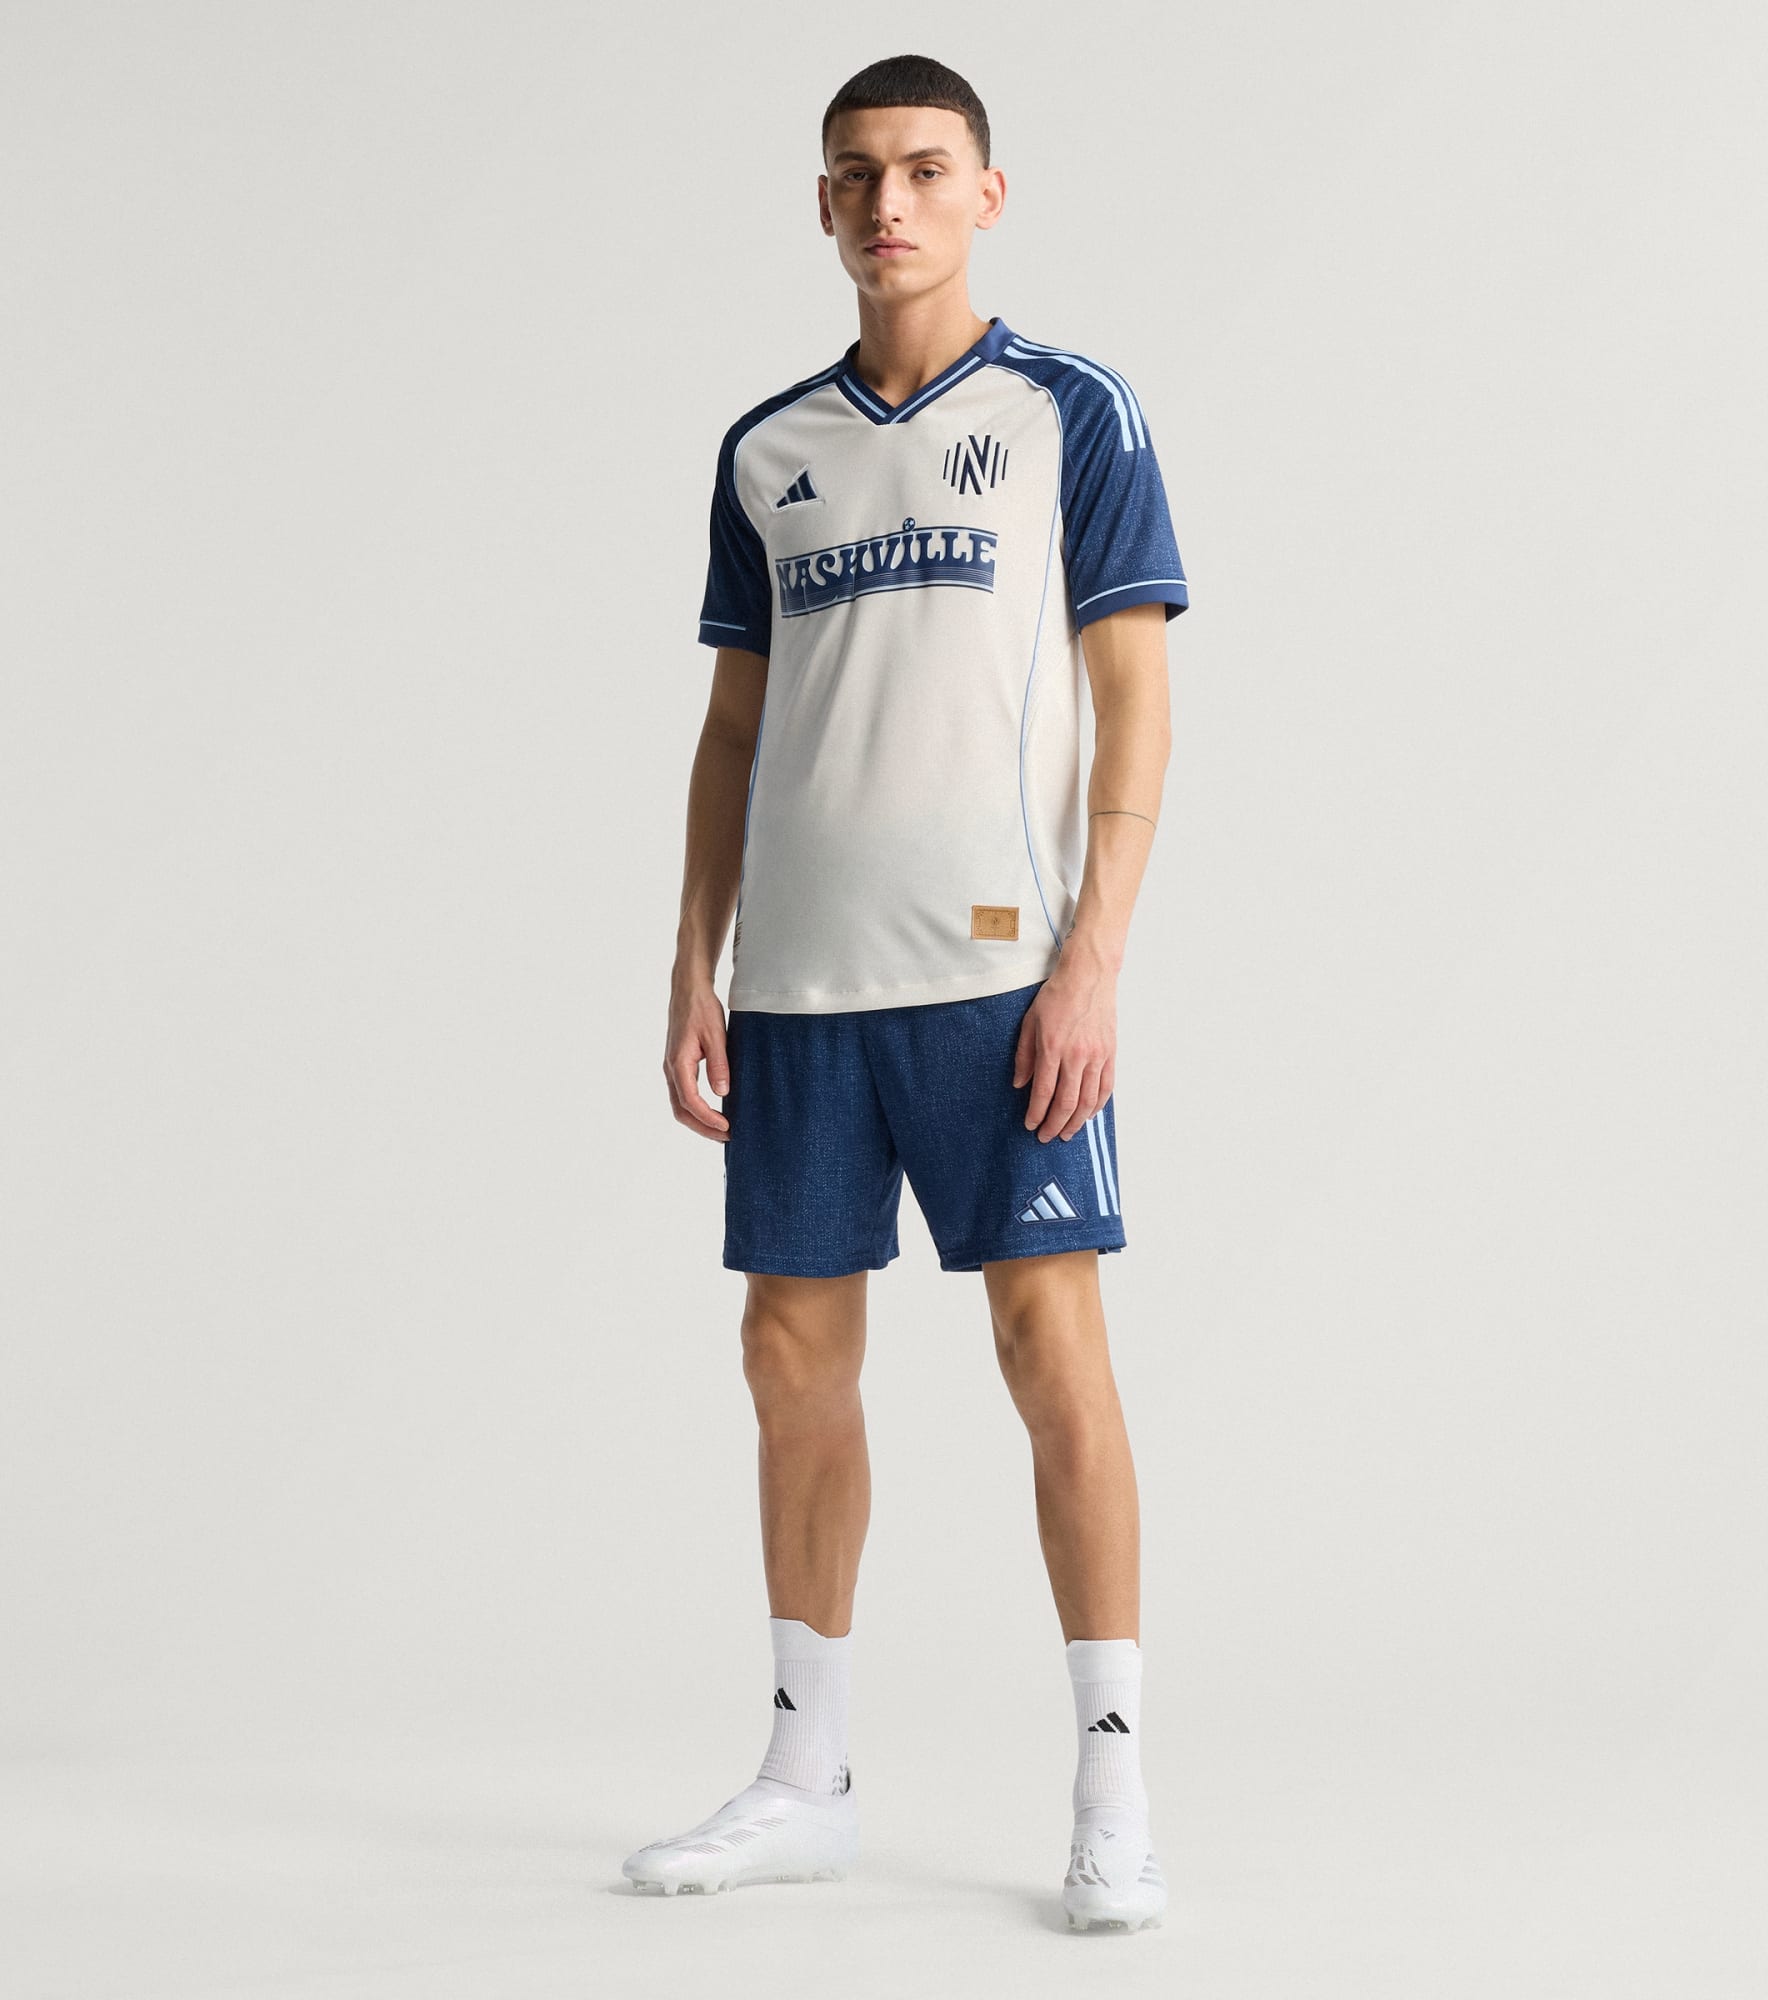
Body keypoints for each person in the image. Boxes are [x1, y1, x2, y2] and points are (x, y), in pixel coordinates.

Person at [622, 52, 1188, 1934]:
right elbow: (733, 728)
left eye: (927, 171)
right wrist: (692, 962)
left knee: (1050, 1352)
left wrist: (1095, 957)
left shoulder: (1068, 411)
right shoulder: (764, 451)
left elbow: (1135, 698)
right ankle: (807, 1779)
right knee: (790, 1359)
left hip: (1000, 975)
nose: (892, 206)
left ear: (986, 195)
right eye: (859, 175)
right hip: (798, 983)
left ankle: (1114, 1791)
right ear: (822, 204)